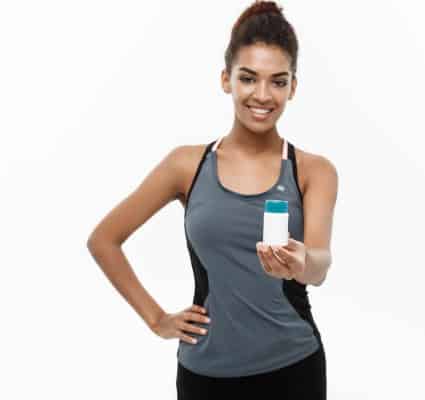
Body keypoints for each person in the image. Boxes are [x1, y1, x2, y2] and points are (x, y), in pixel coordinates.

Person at [86, 1, 337, 398]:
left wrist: (302, 263)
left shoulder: (312, 170)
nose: (262, 94)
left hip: (293, 367)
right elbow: (104, 240)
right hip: (206, 375)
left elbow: (320, 264)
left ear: (293, 86)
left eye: (278, 81)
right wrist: (156, 319)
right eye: (248, 78)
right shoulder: (186, 165)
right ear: (226, 79)